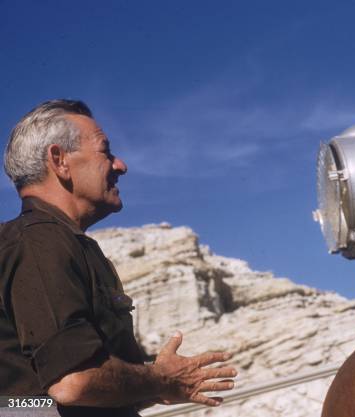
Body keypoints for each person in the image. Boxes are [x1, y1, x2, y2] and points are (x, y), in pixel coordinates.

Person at [0, 100, 237, 417]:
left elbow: (63, 392)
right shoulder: (39, 241)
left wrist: (157, 387)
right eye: (105, 152)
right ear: (59, 161)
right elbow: (72, 383)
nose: (120, 165)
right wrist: (160, 379)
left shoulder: (66, 243)